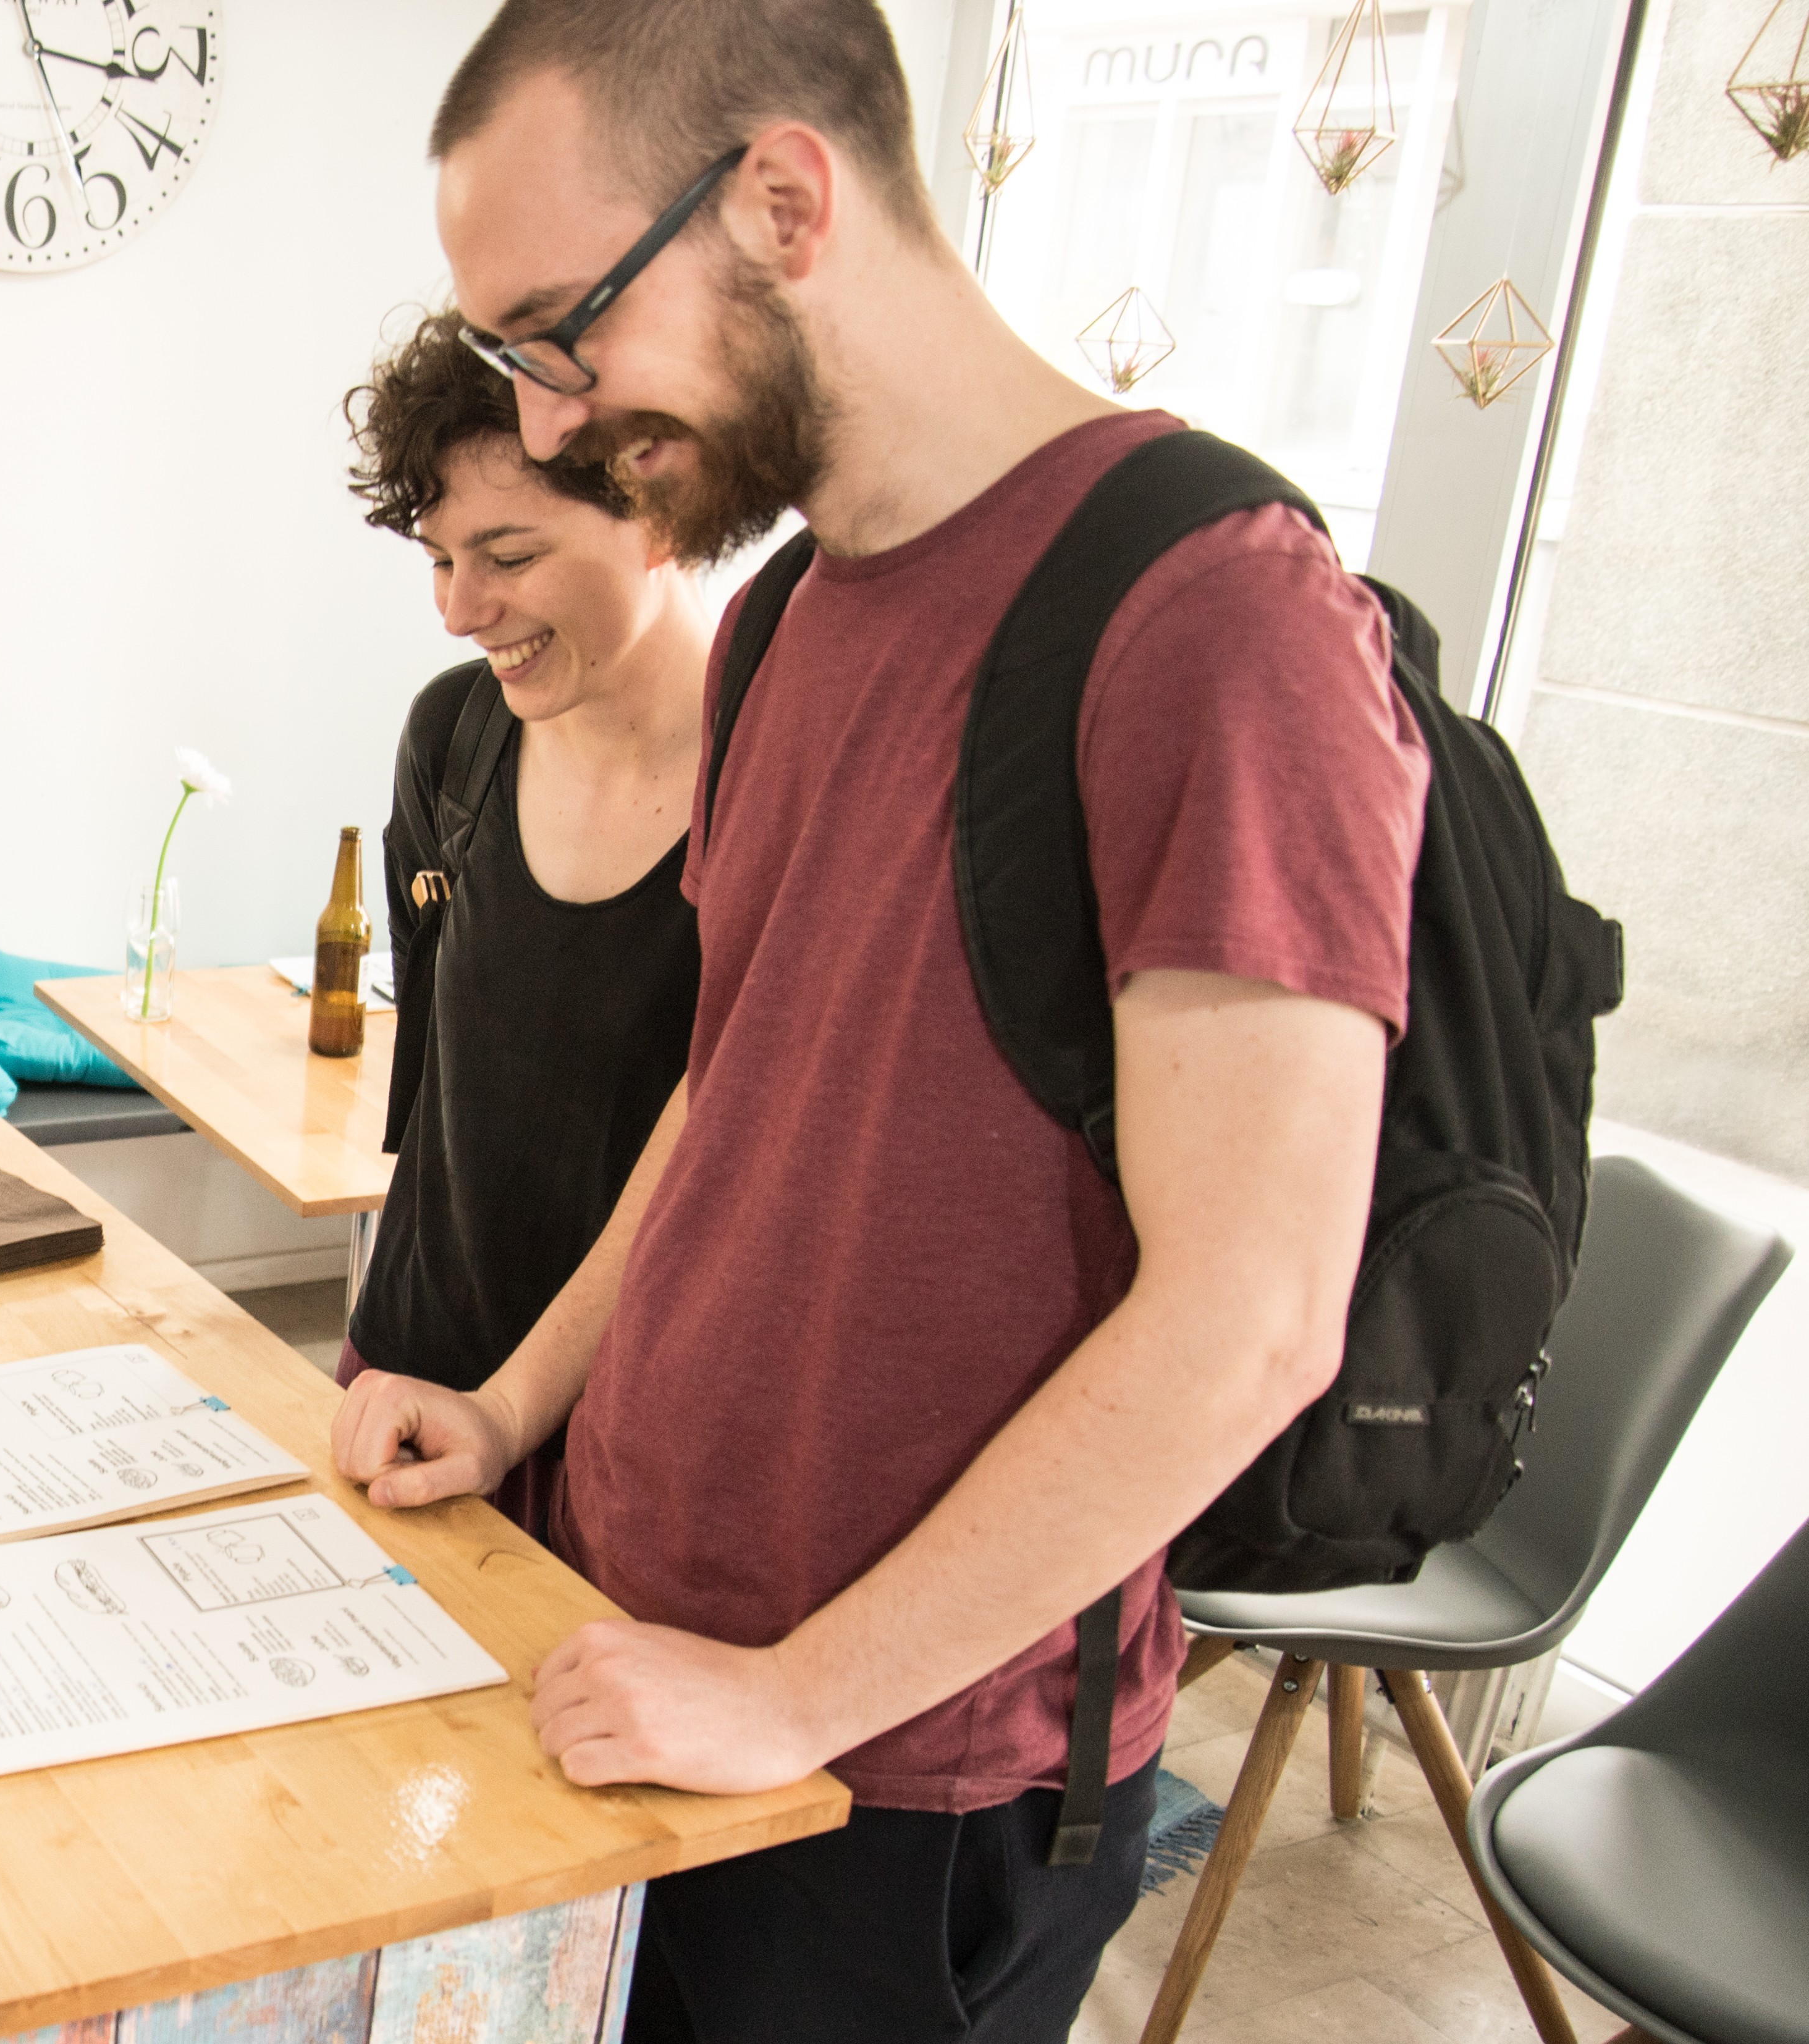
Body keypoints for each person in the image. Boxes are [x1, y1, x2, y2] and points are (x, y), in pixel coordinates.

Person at [327, 2, 1432, 2038]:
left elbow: (1253, 1311)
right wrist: (513, 1405)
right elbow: (725, 1098)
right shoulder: (785, 616)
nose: (549, 425)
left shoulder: (1212, 611)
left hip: (900, 1763)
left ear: (778, 200)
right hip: (637, 1646)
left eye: (562, 333)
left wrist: (792, 1694)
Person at [338, 309, 707, 1549]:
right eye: (439, 558)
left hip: (624, 1448)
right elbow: (438, 1105)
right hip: (405, 1385)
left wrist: (510, 1406)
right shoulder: (452, 738)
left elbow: (721, 1148)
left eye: (507, 553)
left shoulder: (774, 783)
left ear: (661, 513)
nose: (460, 608)